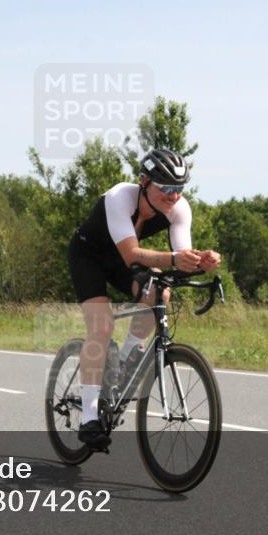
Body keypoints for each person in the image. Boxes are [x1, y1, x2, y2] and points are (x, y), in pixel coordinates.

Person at [67, 150, 221, 450]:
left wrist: (200, 261)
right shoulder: (118, 198)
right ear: (145, 182)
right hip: (90, 257)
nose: (174, 196)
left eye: (179, 189)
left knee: (160, 292)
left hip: (125, 261)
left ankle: (125, 361)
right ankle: (88, 418)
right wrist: (176, 259)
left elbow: (179, 257)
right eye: (166, 188)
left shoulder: (178, 209)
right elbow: (132, 254)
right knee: (101, 328)